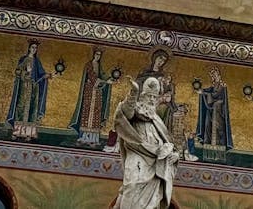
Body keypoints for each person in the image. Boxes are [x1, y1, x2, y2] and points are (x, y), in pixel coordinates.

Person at [111, 76, 179, 209]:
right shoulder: (135, 111)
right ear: (142, 96)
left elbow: (169, 142)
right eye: (149, 96)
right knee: (132, 184)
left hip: (156, 162)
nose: (152, 100)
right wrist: (133, 93)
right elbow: (125, 114)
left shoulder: (157, 119)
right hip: (138, 153)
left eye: (155, 97)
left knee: (154, 200)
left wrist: (174, 155)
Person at [8, 40, 52, 141]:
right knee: (21, 107)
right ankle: (17, 132)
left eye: (36, 48)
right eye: (32, 47)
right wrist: (25, 72)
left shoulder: (37, 62)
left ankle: (28, 133)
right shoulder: (23, 59)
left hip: (33, 88)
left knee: (32, 108)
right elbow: (17, 71)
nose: (34, 49)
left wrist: (46, 76)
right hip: (24, 86)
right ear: (29, 48)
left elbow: (40, 74)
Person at [71, 47, 115, 147]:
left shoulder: (100, 66)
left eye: (99, 55)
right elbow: (92, 77)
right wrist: (105, 82)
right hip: (89, 91)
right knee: (86, 112)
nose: (98, 56)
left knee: (96, 113)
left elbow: (102, 76)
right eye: (96, 54)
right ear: (93, 54)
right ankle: (83, 138)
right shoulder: (89, 65)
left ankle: (93, 140)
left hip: (97, 92)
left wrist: (109, 79)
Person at [195, 65, 233, 157]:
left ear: (219, 75)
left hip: (219, 111)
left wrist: (203, 93)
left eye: (215, 75)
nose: (214, 77)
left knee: (218, 128)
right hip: (211, 111)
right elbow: (209, 91)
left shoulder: (222, 86)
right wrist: (201, 91)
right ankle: (209, 150)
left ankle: (219, 152)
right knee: (208, 127)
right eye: (212, 75)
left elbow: (215, 95)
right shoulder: (213, 86)